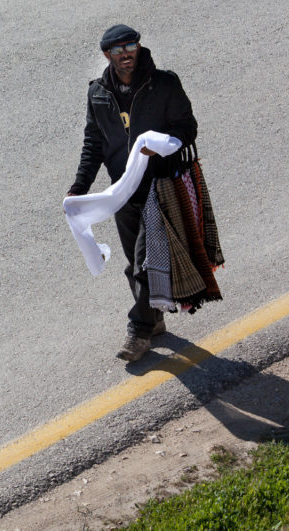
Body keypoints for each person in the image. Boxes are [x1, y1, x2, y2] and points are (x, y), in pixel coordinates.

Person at [67, 24, 198, 362]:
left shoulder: (164, 84)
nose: (126, 53)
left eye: (131, 45)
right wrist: (79, 190)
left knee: (144, 260)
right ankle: (154, 320)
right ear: (106, 55)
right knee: (132, 263)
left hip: (160, 184)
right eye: (118, 49)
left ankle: (138, 332)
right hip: (122, 190)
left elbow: (187, 127)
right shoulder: (98, 93)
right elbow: (93, 145)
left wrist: (161, 148)